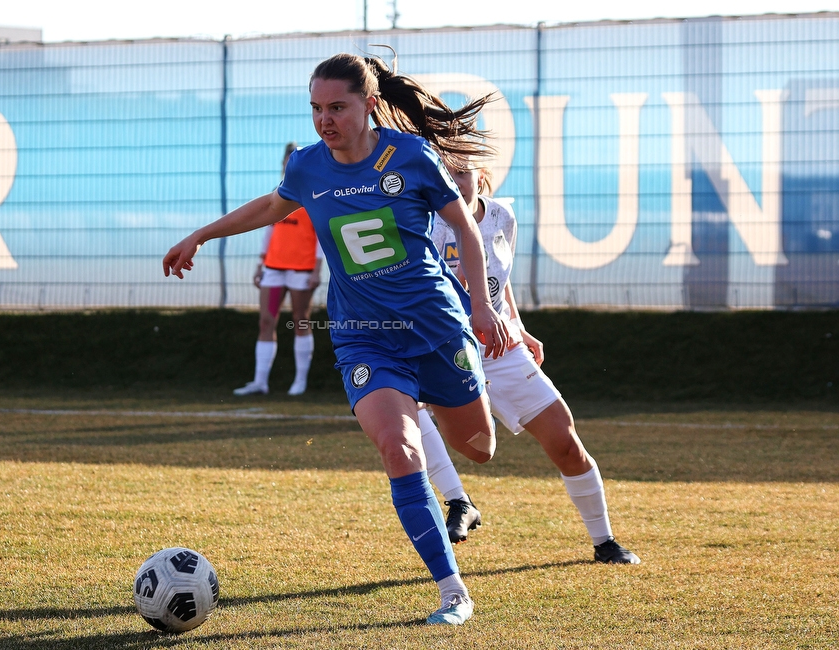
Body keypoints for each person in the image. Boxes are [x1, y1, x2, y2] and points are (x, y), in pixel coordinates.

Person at [164, 51, 514, 625]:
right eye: (316, 108)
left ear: (370, 105)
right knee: (399, 449)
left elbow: (466, 230)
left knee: (480, 448)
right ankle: (454, 592)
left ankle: (430, 399)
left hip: (436, 326)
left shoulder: (411, 156)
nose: (325, 119)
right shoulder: (307, 167)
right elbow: (272, 206)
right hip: (364, 337)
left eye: (337, 107)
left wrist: (482, 306)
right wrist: (201, 235)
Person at [423, 157, 640, 564]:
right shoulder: (424, 222)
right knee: (409, 410)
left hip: (501, 348)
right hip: (445, 348)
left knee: (565, 439)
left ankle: (605, 542)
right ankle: (459, 500)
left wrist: (517, 325)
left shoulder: (502, 216)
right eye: (445, 174)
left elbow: (500, 282)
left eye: (462, 173)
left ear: (481, 177)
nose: (454, 182)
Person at [235, 142, 324, 397]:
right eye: (288, 158)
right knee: (266, 321)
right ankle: (259, 382)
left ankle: (300, 382)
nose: (290, 162)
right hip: (273, 267)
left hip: (302, 268)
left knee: (301, 321)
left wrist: (317, 270)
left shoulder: (315, 192)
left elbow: (321, 236)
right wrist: (260, 264)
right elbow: (269, 229)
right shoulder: (278, 192)